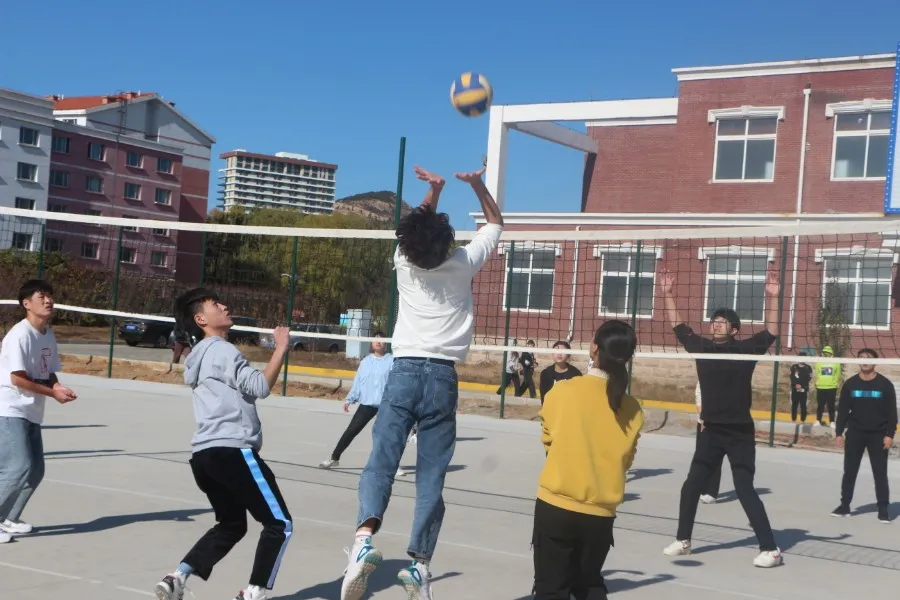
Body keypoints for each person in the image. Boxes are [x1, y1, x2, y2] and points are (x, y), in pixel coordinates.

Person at [338, 164, 503, 600]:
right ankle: (419, 565)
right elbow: (495, 223)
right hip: (442, 377)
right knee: (431, 475)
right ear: (447, 242)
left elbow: (411, 228)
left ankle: (363, 541)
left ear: (409, 243)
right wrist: (476, 185)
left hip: (405, 370)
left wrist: (435, 191)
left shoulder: (403, 261)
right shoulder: (463, 263)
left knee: (382, 461)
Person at [154, 288, 293, 600]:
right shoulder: (222, 350)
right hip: (232, 451)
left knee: (231, 525)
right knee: (279, 523)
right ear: (201, 319)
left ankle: (177, 577)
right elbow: (260, 386)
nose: (225, 306)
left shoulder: (197, 357)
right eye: (215, 304)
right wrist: (281, 347)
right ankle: (254, 593)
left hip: (203, 457)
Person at [659, 269, 784, 568]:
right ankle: (684, 540)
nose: (716, 324)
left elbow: (772, 332)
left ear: (734, 329)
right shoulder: (702, 347)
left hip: (739, 432)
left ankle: (771, 549)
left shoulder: (745, 349)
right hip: (710, 430)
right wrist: (668, 293)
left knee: (744, 489)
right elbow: (678, 327)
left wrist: (772, 298)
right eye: (714, 320)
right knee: (691, 486)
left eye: (722, 321)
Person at [532, 320, 644, 599]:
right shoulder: (632, 408)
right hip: (600, 515)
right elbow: (626, 460)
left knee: (550, 591)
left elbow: (548, 441)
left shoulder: (562, 391)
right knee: (589, 585)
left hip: (557, 506)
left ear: (594, 348)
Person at [0, 279, 77, 544]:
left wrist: (57, 386)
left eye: (50, 296)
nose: (48, 301)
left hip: (31, 410)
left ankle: (8, 517)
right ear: (26, 303)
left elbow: (48, 370)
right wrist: (52, 394)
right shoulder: (19, 335)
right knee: (17, 466)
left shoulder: (47, 334)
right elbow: (17, 379)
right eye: (41, 296)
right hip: (9, 408)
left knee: (36, 471)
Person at [832, 348, 896, 523]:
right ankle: (845, 505)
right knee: (849, 471)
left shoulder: (885, 384)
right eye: (861, 358)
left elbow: (892, 413)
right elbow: (843, 410)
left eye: (868, 358)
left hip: (878, 435)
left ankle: (883, 508)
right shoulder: (850, 384)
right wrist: (839, 432)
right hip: (855, 433)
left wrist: (890, 434)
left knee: (880, 473)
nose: (865, 361)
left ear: (875, 362)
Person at [319, 332, 393, 470]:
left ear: (386, 343)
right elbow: (358, 382)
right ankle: (334, 458)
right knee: (351, 430)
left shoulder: (392, 361)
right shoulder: (366, 362)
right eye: (375, 340)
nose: (378, 342)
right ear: (371, 343)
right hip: (367, 404)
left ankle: (392, 465)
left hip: (386, 404)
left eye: (381, 340)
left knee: (387, 435)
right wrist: (350, 399)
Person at [694, 382, 721, 505]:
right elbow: (699, 393)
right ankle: (701, 488)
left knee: (715, 456)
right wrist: (702, 416)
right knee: (701, 455)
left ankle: (711, 491)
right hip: (703, 421)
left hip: (718, 421)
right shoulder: (704, 374)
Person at [815, 346, 841, 427]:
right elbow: (817, 373)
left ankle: (832, 421)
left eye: (828, 353)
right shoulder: (819, 362)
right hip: (821, 387)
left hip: (831, 387)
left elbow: (838, 374)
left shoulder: (836, 362)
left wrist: (835, 383)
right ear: (823, 353)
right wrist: (819, 382)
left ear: (831, 353)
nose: (826, 355)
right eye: (825, 353)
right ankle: (818, 420)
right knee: (820, 405)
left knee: (831, 406)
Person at [789, 351, 813, 423]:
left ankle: (803, 419)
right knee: (794, 404)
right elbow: (791, 377)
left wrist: (801, 385)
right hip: (795, 388)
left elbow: (808, 378)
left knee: (803, 405)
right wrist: (796, 384)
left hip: (804, 389)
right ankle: (793, 418)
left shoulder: (808, 368)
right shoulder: (794, 367)